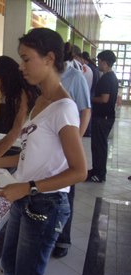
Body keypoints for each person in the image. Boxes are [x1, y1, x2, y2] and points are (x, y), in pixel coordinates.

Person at [0, 28, 87, 275]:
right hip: (27, 197)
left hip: (45, 203)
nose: (21, 67)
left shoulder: (63, 108)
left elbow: (79, 171)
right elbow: (30, 154)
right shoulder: (41, 101)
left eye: (26, 59)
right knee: (11, 269)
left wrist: (29, 187)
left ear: (48, 59)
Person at [52, 45, 91, 258]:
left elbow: (85, 111)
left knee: (66, 193)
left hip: (67, 146)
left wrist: (74, 142)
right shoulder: (44, 80)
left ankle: (63, 240)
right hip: (51, 147)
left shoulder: (75, 77)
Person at [86, 50, 118, 182]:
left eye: (99, 61)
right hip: (105, 117)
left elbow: (104, 99)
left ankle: (99, 174)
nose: (98, 63)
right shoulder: (110, 77)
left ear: (105, 62)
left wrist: (90, 98)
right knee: (98, 145)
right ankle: (96, 170)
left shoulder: (106, 78)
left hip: (102, 117)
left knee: (99, 146)